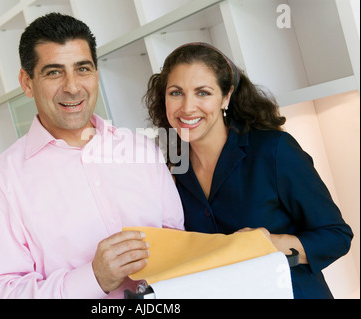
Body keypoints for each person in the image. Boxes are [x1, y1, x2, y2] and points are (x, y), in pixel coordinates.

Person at [0, 13, 184, 299]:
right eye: (54, 72)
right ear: (27, 82)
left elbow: (179, 241)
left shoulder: (142, 150)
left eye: (82, 69)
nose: (72, 87)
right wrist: (92, 278)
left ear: (96, 74)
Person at [145, 42, 353, 299]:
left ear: (226, 96)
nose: (187, 107)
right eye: (176, 93)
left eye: (203, 93)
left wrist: (269, 245)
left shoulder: (274, 151)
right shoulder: (171, 170)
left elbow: (336, 236)